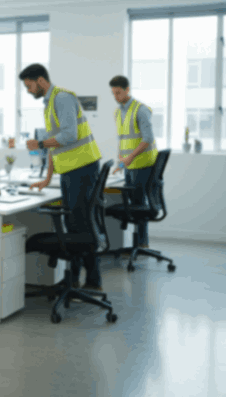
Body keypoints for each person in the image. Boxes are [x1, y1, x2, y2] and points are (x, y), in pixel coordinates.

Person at [21, 63, 104, 291]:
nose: (28, 91)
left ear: (40, 80)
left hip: (82, 168)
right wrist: (47, 179)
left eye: (29, 86)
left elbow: (69, 135)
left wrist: (38, 143)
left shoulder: (62, 98)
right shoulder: (49, 104)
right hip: (71, 171)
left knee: (81, 225)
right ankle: (74, 279)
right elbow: (54, 148)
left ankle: (93, 282)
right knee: (73, 224)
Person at [110, 75, 158, 250]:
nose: (116, 97)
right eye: (113, 93)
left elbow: (148, 139)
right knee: (134, 203)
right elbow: (122, 141)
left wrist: (130, 158)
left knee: (139, 203)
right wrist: (120, 163)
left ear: (127, 90)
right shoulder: (118, 112)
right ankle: (138, 243)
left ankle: (142, 243)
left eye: (119, 92)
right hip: (129, 164)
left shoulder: (140, 109)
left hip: (143, 163)